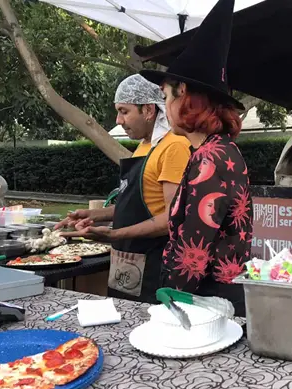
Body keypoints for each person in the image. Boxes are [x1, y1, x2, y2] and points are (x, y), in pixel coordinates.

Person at [139, 0, 252, 316]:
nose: (164, 107)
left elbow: (193, 253)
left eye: (165, 97)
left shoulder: (209, 160)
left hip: (205, 305)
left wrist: (170, 304)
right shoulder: (223, 149)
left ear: (184, 94)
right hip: (220, 298)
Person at [56, 74, 191, 304]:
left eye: (124, 111)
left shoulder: (174, 146)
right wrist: (93, 215)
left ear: (148, 110)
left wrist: (114, 234)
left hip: (154, 263)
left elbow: (171, 217)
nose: (118, 120)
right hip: (127, 261)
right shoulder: (145, 146)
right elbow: (138, 204)